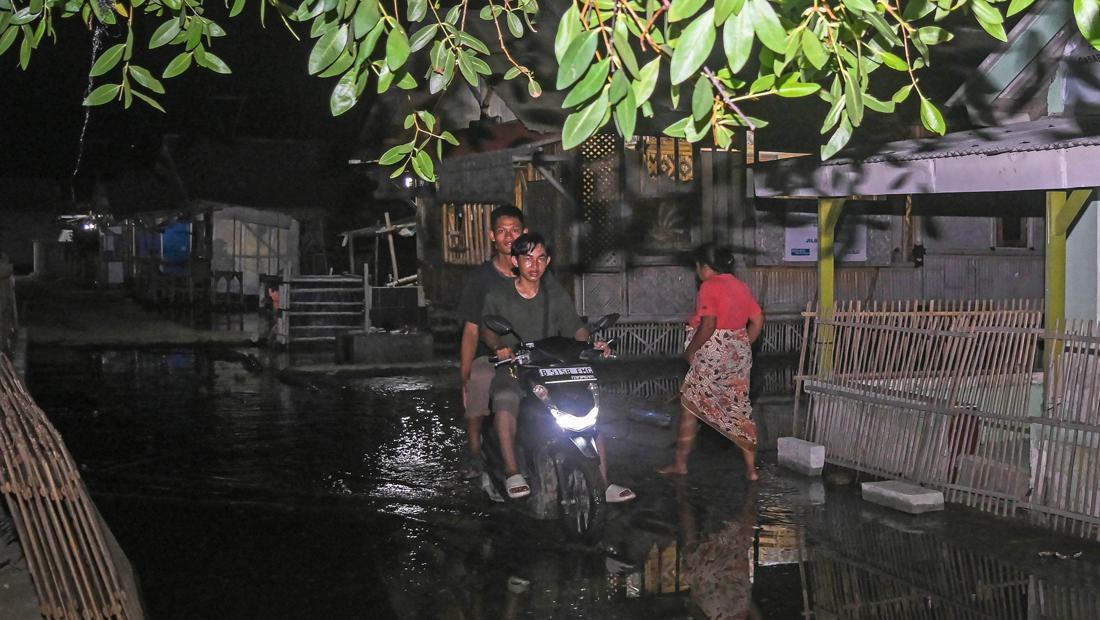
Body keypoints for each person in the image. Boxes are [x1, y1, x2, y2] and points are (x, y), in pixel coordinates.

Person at [481, 232, 635, 503]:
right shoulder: (498, 294)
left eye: (540, 258)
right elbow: (489, 332)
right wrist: (500, 348)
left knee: (589, 408)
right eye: (527, 258)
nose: (534, 265)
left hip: (554, 368)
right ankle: (512, 470)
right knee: (505, 398)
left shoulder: (555, 294)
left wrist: (591, 345)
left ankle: (602, 481)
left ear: (548, 261)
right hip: (517, 366)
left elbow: (575, 327)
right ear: (515, 262)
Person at [659, 244, 765, 480]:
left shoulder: (710, 286)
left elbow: (708, 325)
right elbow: (758, 321)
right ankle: (751, 470)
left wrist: (691, 350)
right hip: (738, 353)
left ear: (705, 267)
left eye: (697, 267)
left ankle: (680, 464)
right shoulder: (741, 286)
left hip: (711, 353)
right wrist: (741, 345)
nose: (697, 272)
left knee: (689, 406)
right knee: (739, 408)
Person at [455, 206, 527, 479]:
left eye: (515, 230)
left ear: (525, 233)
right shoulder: (481, 278)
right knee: (479, 379)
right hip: (493, 356)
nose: (509, 236)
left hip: (530, 354)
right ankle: (474, 449)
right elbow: (472, 330)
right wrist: (464, 375)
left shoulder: (535, 268)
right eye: (502, 230)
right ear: (492, 236)